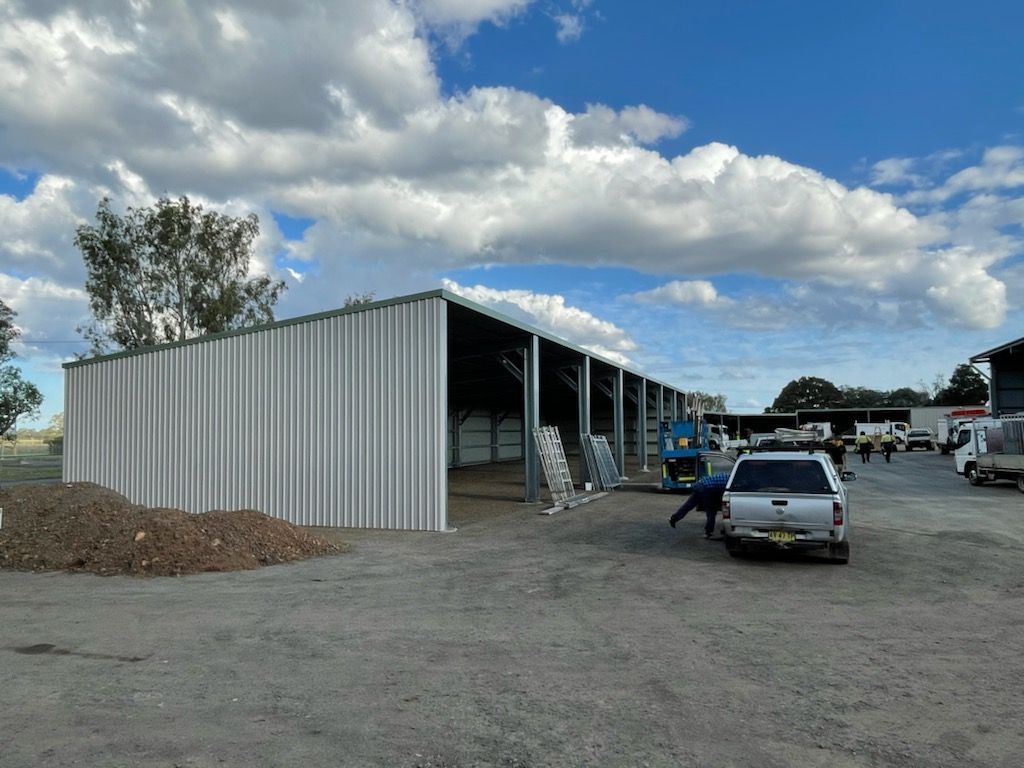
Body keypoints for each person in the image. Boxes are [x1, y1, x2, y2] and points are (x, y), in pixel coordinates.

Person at [669, 472, 729, 538]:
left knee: (689, 505)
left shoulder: (728, 476)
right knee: (711, 511)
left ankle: (674, 518)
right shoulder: (732, 482)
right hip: (707, 488)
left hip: (700, 484)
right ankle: (708, 532)